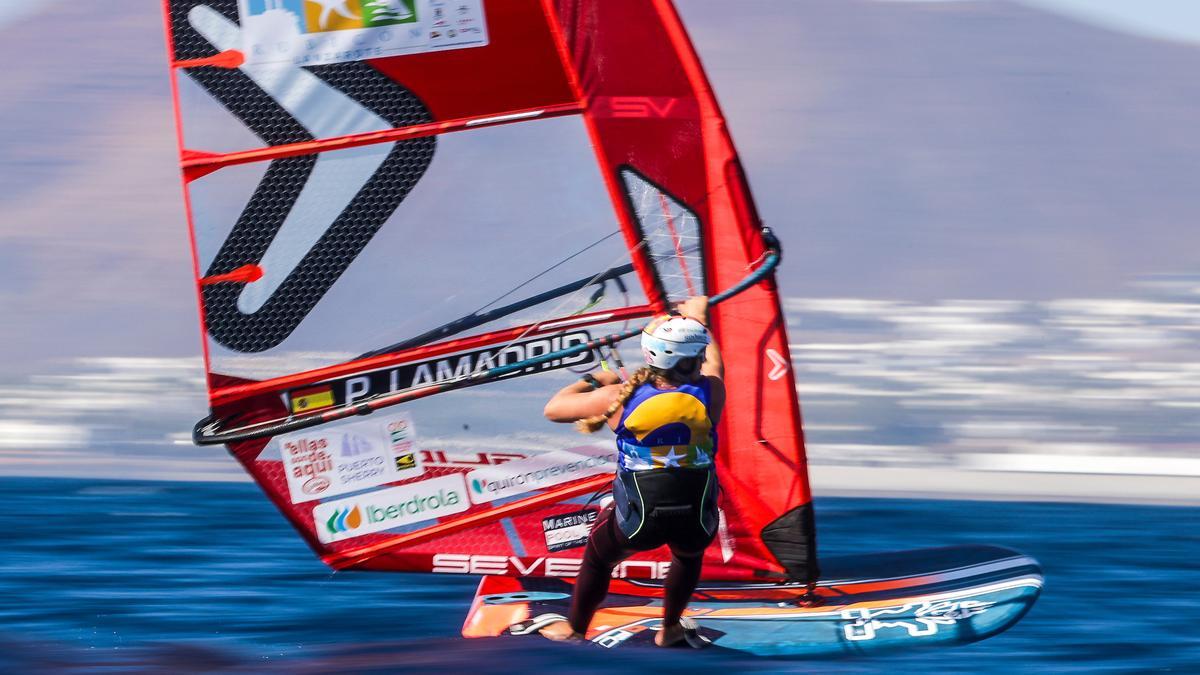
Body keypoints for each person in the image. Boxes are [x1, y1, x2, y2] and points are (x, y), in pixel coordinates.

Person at [538, 296, 725, 647]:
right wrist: (698, 316)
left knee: (597, 559)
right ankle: (669, 628)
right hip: (697, 520)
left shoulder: (617, 397)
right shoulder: (712, 391)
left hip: (636, 523)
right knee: (688, 555)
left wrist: (595, 379)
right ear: (697, 356)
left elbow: (553, 409)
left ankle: (575, 628)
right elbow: (714, 361)